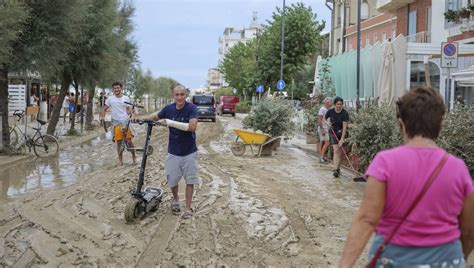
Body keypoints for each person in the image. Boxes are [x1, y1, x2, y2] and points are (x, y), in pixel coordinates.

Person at [339, 87, 474, 267]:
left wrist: (345, 265)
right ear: (440, 125)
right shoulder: (458, 168)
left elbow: (367, 219)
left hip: (395, 259)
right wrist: (458, 259)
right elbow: (469, 230)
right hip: (447, 259)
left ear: (402, 124)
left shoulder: (385, 162)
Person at [135, 85, 198, 219]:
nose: (179, 97)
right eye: (177, 95)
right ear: (173, 95)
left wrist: (170, 122)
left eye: (182, 94)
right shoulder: (168, 109)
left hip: (189, 152)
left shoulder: (191, 108)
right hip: (173, 151)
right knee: (172, 179)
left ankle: (187, 208)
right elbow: (155, 116)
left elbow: (192, 127)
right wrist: (139, 118)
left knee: (190, 181)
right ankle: (175, 200)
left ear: (185, 95)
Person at [99, 81, 137, 166]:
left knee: (129, 141)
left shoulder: (126, 98)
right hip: (116, 123)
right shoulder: (110, 99)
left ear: (121, 88)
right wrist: (102, 117)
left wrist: (131, 112)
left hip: (126, 121)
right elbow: (104, 109)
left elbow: (129, 110)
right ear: (113, 89)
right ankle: (120, 161)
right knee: (119, 142)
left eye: (118, 88)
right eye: (115, 88)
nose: (116, 89)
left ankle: (134, 157)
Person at [325, 96, 349, 177]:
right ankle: (335, 169)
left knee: (340, 152)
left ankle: (338, 168)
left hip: (342, 133)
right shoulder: (330, 111)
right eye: (338, 104)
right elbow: (325, 119)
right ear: (335, 104)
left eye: (341, 104)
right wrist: (328, 123)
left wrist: (342, 139)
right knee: (336, 151)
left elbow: (345, 127)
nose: (339, 106)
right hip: (333, 132)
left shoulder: (344, 113)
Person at [317, 97, 333, 164]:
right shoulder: (322, 109)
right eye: (330, 102)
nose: (331, 103)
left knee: (323, 142)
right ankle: (321, 158)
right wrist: (322, 129)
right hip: (323, 128)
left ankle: (322, 157)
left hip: (326, 128)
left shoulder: (328, 110)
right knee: (327, 142)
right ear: (327, 102)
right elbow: (319, 120)